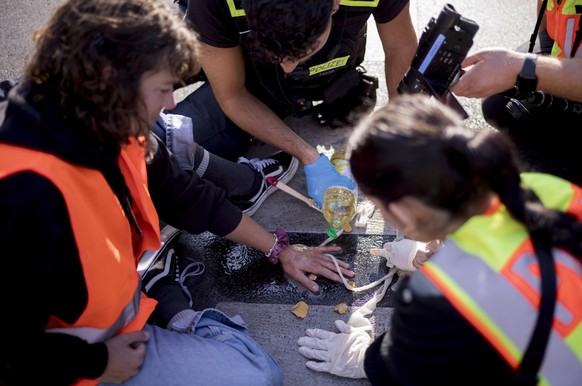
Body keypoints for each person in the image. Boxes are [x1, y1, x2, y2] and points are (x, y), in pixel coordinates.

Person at [0, 0, 355, 384]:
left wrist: (280, 249)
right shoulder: (23, 195)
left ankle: (156, 288)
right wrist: (98, 363)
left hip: (108, 321)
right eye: (163, 89)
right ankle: (162, 293)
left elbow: (187, 197)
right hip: (69, 358)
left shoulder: (106, 118)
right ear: (112, 82)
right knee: (255, 376)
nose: (171, 103)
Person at [297, 94, 582, 384]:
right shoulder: (549, 189)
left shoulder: (435, 296)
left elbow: (402, 368)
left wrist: (361, 358)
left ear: (403, 211)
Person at [162, 0, 418, 207]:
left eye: (301, 52)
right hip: (231, 56)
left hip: (322, 77)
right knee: (162, 152)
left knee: (174, 152)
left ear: (334, 4)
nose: (288, 66)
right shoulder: (212, 4)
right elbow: (232, 94)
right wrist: (308, 156)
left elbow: (401, 46)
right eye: (275, 55)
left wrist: (399, 131)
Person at [451, 0, 582, 187]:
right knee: (499, 105)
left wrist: (522, 67)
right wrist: (542, 55)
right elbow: (548, 14)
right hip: (568, 60)